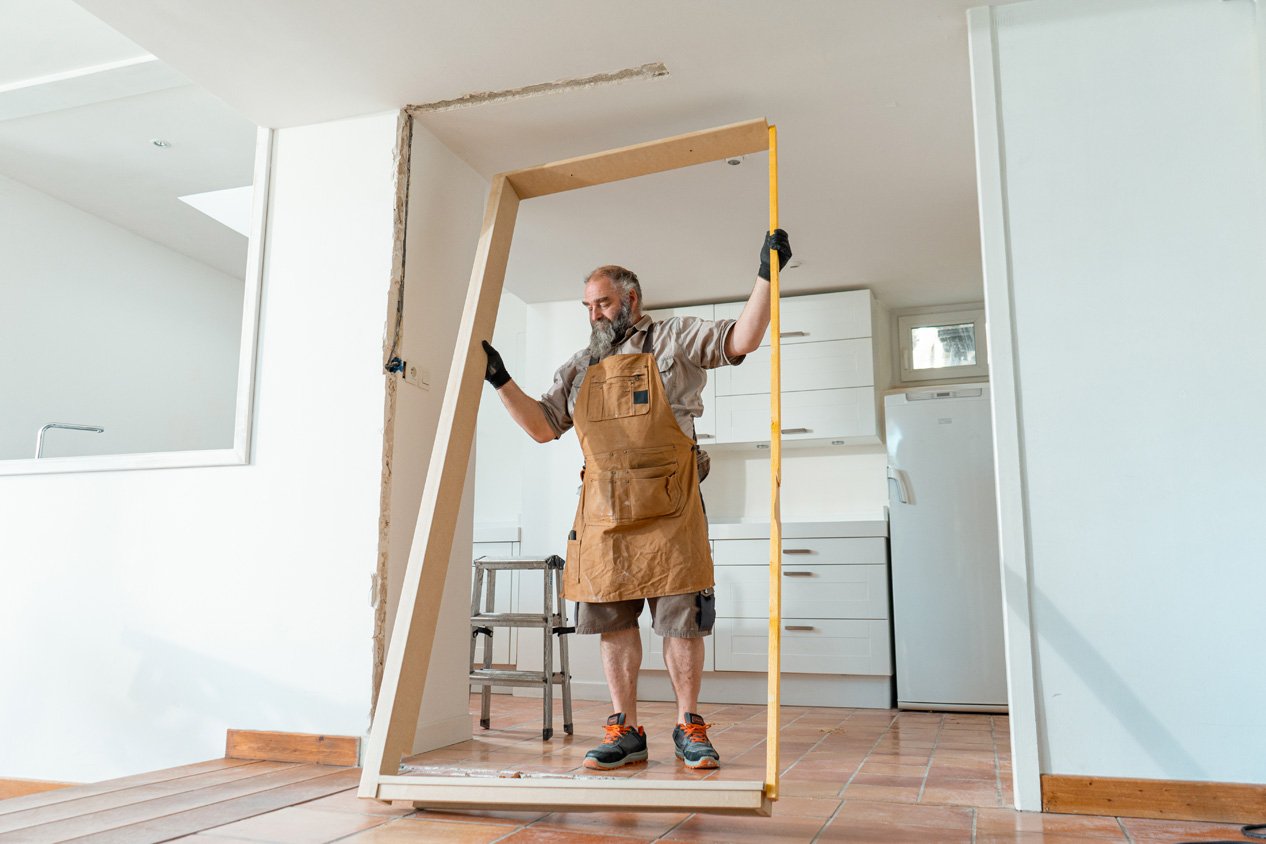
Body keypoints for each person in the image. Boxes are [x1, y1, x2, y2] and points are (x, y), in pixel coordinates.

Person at [481, 230, 792, 770]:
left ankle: (689, 725)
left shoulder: (675, 339)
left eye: (603, 303)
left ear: (632, 299)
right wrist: (500, 378)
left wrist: (767, 274)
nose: (595, 315)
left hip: (672, 511)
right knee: (614, 624)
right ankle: (625, 729)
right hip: (602, 514)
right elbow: (540, 427)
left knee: (681, 622)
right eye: (588, 307)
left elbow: (742, 338)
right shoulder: (579, 367)